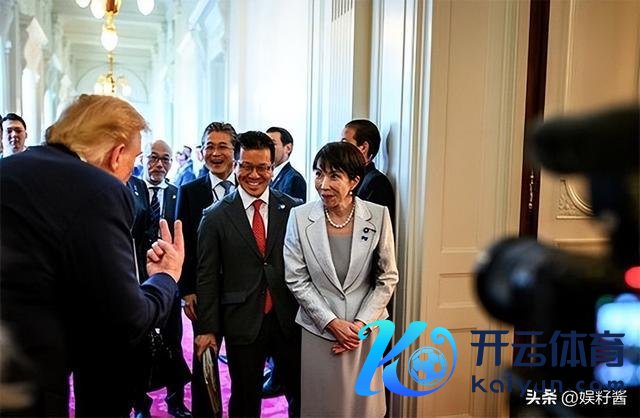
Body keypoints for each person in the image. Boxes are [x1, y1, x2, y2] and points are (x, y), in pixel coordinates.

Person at [0, 94, 185, 417]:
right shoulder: (100, 189)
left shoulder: (9, 168)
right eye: (135, 159)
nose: (132, 171)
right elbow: (127, 319)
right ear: (117, 154)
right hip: (23, 377)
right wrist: (165, 277)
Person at [284, 141, 398, 418]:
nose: (323, 184)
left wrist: (360, 325)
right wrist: (331, 322)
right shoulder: (299, 217)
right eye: (318, 174)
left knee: (363, 407)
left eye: (334, 175)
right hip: (319, 330)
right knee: (322, 406)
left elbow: (387, 277)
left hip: (365, 332)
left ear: (354, 181)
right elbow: (296, 278)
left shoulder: (378, 215)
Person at [195, 131, 301, 418]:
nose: (254, 175)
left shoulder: (293, 209)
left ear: (272, 168)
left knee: (299, 393)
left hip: (288, 318)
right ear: (236, 165)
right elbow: (206, 276)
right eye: (247, 166)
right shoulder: (215, 216)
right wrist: (207, 328)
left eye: (263, 167)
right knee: (244, 397)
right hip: (241, 320)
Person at [176, 122, 237, 417]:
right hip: (203, 295)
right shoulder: (189, 192)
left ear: (235, 151)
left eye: (223, 146)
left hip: (242, 295)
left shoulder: (249, 187)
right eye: (209, 146)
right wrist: (186, 290)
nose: (215, 153)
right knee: (204, 367)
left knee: (244, 368)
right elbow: (183, 243)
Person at [132, 140, 191, 418]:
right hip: (136, 280)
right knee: (136, 345)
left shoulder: (178, 193)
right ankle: (140, 404)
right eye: (153, 158)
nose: (159, 164)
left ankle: (175, 399)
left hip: (169, 282)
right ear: (143, 159)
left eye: (165, 159)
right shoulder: (130, 189)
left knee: (173, 341)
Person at [341, 119, 395, 225]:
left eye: (345, 143)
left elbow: (373, 226)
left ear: (363, 147)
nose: (340, 149)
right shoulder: (352, 178)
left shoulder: (377, 182)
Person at [266, 126, 307, 202]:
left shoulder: (295, 179)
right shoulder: (264, 176)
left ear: (288, 148)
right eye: (265, 144)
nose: (267, 148)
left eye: (272, 144)